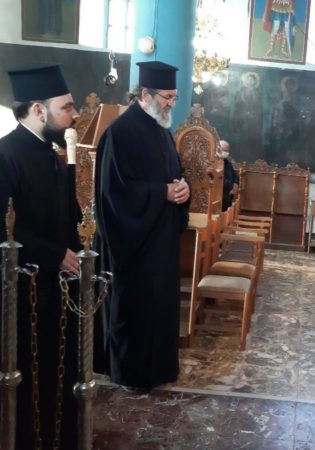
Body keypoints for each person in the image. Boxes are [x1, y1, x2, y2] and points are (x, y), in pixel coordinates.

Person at [94, 61, 190, 394]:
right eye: (167, 97)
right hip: (133, 245)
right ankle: (131, 375)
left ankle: (159, 369)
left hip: (161, 242)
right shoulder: (120, 133)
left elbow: (174, 174)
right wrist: (162, 192)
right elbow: (114, 193)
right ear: (145, 95)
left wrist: (183, 188)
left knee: (160, 309)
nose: (171, 104)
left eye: (174, 97)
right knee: (136, 310)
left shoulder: (162, 131)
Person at [0, 64, 81, 449]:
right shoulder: (6, 154)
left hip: (56, 287)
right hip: (24, 291)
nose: (74, 114)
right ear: (38, 110)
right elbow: (5, 231)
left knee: (55, 368)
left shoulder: (51, 152)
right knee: (29, 371)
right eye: (66, 107)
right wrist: (54, 255)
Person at [219, 140, 239, 211]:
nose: (226, 153)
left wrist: (236, 184)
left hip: (228, 196)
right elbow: (218, 179)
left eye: (227, 151)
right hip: (220, 195)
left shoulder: (227, 163)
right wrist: (231, 185)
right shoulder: (213, 162)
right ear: (218, 150)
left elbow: (235, 176)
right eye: (224, 151)